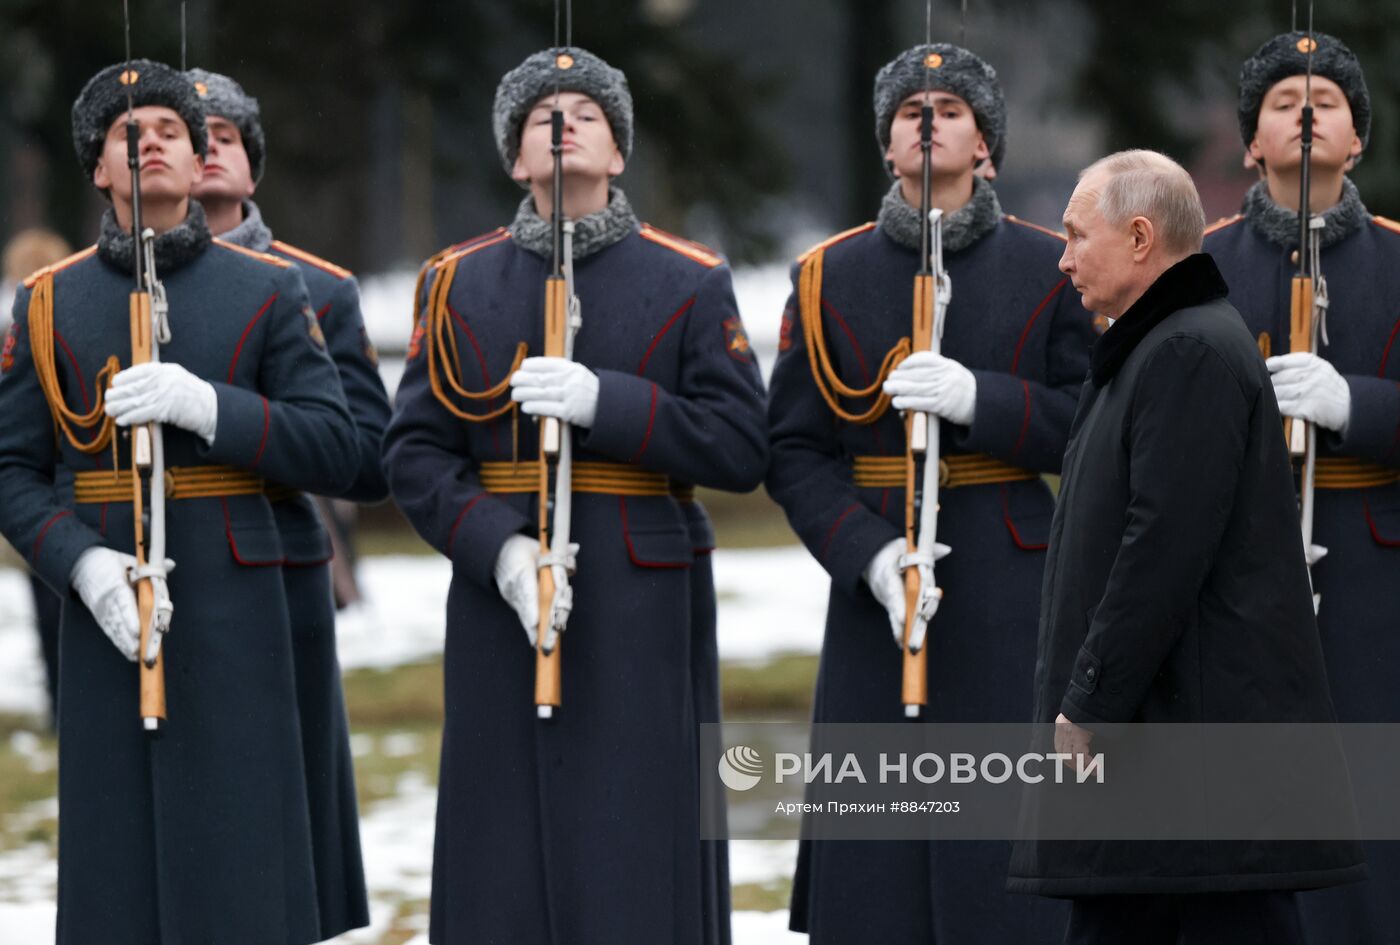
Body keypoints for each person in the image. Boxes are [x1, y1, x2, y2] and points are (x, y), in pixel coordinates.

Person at [381, 47, 767, 944]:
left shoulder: (690, 277)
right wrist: (499, 547)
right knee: (499, 841)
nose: (562, 125)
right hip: (500, 600)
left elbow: (741, 445)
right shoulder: (456, 282)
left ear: (619, 152)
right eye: (538, 117)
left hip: (642, 596)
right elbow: (415, 452)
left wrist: (609, 403)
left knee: (637, 837)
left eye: (585, 113)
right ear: (515, 160)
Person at [0, 59, 357, 945]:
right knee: (115, 860)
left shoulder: (270, 290)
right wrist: (79, 563)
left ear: (200, 161)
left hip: (239, 605)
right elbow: (11, 468)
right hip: (105, 604)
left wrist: (212, 407)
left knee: (242, 853)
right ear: (97, 168)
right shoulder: (46, 302)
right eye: (127, 133)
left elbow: (338, 445)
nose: (148, 142)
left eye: (168, 130)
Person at [765, 42, 1094, 944]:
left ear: (985, 144)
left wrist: (983, 400)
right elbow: (791, 449)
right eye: (910, 109)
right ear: (885, 143)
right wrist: (862, 551)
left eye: (950, 108)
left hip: (1011, 580)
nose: (927, 120)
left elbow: (1092, 425)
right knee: (880, 862)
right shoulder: (828, 274)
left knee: (1004, 856)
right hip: (877, 581)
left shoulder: (1051, 264)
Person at [1007, 149, 1365, 943]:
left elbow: (1161, 547)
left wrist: (1090, 696)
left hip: (1193, 773)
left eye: (1076, 236)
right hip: (1170, 770)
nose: (1061, 258)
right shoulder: (1154, 346)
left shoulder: (1185, 350)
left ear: (1140, 237)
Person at [1203, 31, 1400, 944]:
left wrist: (1356, 403)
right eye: (1284, 102)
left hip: (1376, 575)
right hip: (1238, 567)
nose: (1308, 112)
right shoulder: (1192, 267)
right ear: (1250, 142)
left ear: (1358, 136)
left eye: (1329, 100)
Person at [188, 67, 386, 940]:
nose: (201, 152)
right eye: (183, 134)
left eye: (223, 137)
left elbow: (368, 455)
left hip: (276, 559)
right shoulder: (87, 287)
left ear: (252, 169)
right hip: (146, 559)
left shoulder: (322, 287)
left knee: (281, 809)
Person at [3, 228, 72, 727]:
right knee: (50, 602)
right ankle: (59, 699)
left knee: (54, 603)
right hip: (43, 481)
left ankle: (61, 698)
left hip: (55, 480)